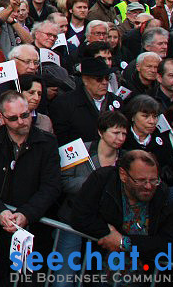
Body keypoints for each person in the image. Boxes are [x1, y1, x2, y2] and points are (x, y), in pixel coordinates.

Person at [0, 90, 61, 283]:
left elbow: (51, 186)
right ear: (2, 117)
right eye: (13, 118)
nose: (21, 121)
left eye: (25, 115)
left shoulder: (47, 143)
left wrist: (26, 214)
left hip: (29, 235)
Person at [54, 110, 129, 287]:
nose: (120, 137)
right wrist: (93, 184)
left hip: (105, 226)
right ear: (101, 132)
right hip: (72, 220)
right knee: (63, 279)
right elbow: (62, 181)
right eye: (115, 132)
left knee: (97, 279)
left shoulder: (126, 160)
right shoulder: (79, 150)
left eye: (124, 133)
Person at [72, 150, 173, 262]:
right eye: (140, 180)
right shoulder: (103, 180)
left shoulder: (165, 196)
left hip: (144, 274)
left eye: (154, 180)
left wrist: (124, 242)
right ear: (123, 175)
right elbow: (80, 216)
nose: (148, 186)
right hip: (98, 267)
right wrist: (107, 233)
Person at [122, 94, 173, 170]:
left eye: (155, 116)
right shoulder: (123, 140)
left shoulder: (163, 143)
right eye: (145, 116)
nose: (152, 121)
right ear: (133, 116)